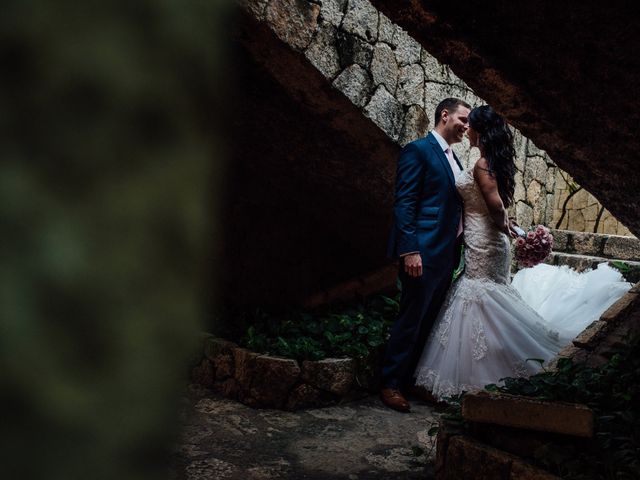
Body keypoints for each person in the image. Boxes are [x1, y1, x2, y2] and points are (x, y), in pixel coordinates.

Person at [413, 105, 631, 401]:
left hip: (486, 238)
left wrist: (511, 232)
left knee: (479, 295)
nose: (468, 130)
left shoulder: (481, 165)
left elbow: (495, 207)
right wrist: (513, 229)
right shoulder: (490, 163)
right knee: (482, 295)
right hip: (486, 236)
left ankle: (482, 375)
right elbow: (496, 205)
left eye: (471, 125)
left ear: (481, 131)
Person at [381, 98, 471, 412]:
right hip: (422, 252)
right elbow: (405, 202)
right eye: (462, 118)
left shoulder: (455, 160)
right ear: (444, 115)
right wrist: (409, 250)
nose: (466, 126)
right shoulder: (418, 150)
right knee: (411, 319)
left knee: (430, 321)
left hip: (447, 254)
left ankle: (411, 382)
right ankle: (390, 384)